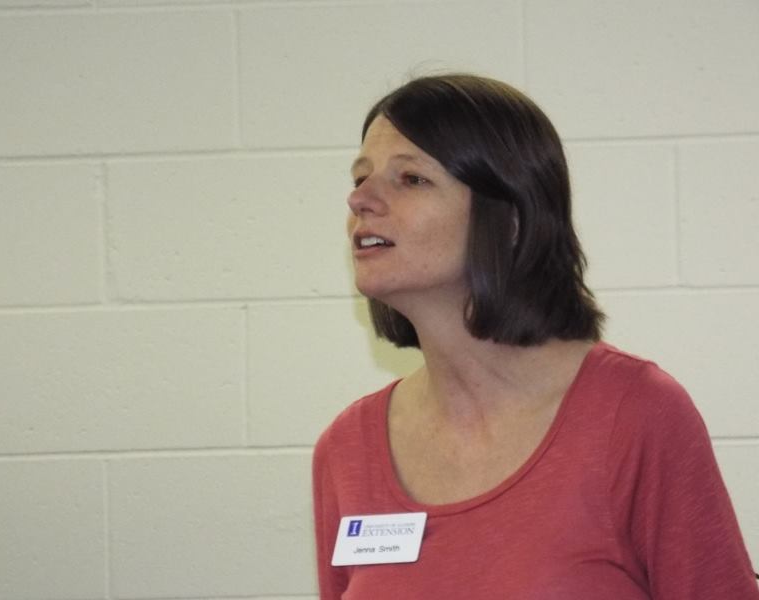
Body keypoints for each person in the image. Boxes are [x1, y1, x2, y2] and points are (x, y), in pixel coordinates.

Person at [311, 74, 759, 599]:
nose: (359, 199)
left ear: (511, 219)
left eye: (411, 179)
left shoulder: (635, 414)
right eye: (360, 177)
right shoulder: (346, 449)